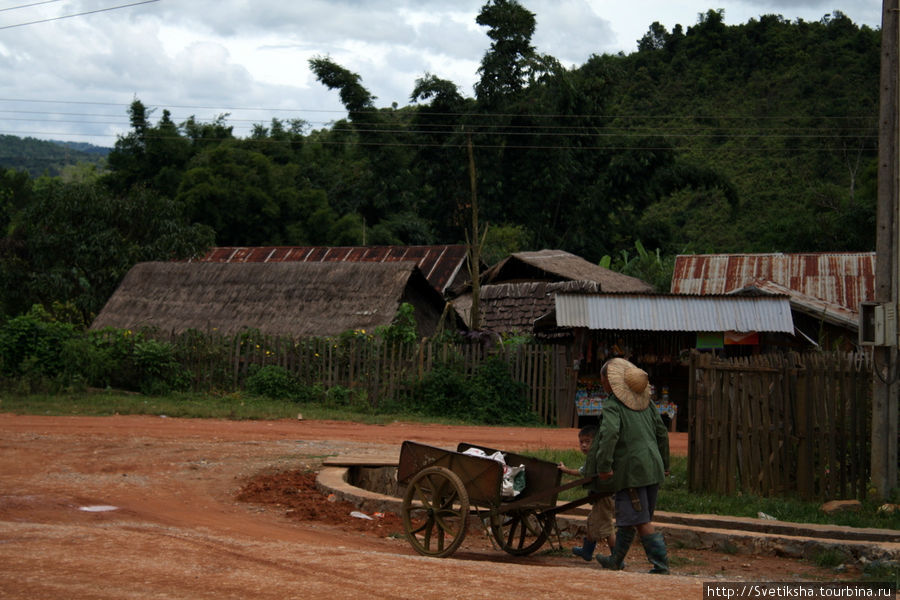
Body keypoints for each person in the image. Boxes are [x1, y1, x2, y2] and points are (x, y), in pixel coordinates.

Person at [592, 357, 670, 574]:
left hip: (631, 471)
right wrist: (665, 463)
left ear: (608, 381)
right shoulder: (648, 404)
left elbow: (609, 435)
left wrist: (604, 466)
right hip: (653, 467)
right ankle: (615, 561)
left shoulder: (613, 405)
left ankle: (661, 565)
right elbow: (662, 433)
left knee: (641, 519)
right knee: (629, 518)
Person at [557, 424, 617, 561]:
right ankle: (587, 551)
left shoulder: (598, 457)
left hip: (604, 496)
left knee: (606, 527)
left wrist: (565, 470)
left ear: (596, 442)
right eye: (581, 442)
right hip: (602, 495)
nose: (583, 445)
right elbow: (583, 472)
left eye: (587, 442)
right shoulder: (594, 456)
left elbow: (582, 472)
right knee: (593, 521)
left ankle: (616, 557)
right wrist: (566, 470)